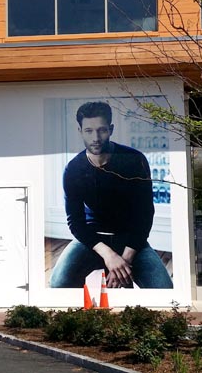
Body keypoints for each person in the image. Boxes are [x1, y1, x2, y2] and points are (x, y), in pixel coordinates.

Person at [49, 101, 172, 289]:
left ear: (111, 129)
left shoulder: (134, 160)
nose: (96, 138)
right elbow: (75, 222)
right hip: (93, 240)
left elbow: (145, 214)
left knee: (164, 289)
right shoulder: (73, 169)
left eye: (102, 130)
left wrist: (124, 261)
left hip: (131, 241)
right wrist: (109, 255)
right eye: (89, 131)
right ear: (80, 131)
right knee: (58, 283)